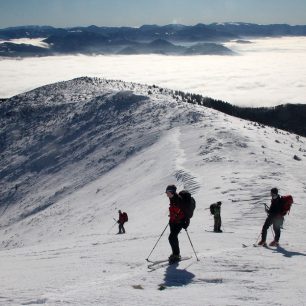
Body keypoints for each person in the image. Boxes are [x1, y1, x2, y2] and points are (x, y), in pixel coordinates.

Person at [166, 184, 190, 263]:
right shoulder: (171, 199)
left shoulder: (179, 200)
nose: (166, 194)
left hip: (179, 222)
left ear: (172, 192)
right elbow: (174, 209)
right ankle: (175, 253)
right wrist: (171, 218)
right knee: (173, 237)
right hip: (173, 222)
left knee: (171, 237)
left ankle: (176, 254)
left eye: (168, 192)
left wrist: (186, 222)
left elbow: (185, 211)